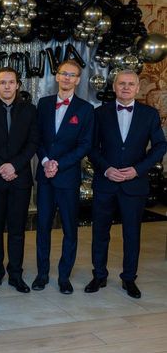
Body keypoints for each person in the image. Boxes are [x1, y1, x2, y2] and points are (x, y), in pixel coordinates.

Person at [86, 69, 167, 299]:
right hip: (105, 182)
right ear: (114, 87)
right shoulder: (99, 113)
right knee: (100, 232)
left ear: (138, 88)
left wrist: (137, 170)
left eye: (131, 84)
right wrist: (106, 169)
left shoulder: (149, 114)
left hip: (134, 185)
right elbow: (90, 147)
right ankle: (99, 275)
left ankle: (129, 278)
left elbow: (160, 146)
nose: (126, 87)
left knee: (132, 234)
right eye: (121, 83)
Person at [33, 59, 94, 294]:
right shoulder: (44, 103)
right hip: (45, 176)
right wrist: (46, 161)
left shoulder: (86, 109)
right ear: (57, 76)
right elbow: (37, 138)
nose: (67, 78)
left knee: (69, 229)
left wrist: (59, 163)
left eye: (72, 75)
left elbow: (85, 145)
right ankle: (42, 274)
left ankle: (64, 276)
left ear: (78, 80)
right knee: (42, 227)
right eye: (64, 74)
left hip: (68, 178)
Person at [0, 67, 38, 294]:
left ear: (18, 85)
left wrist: (14, 166)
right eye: (2, 82)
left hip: (20, 178)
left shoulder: (29, 110)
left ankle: (15, 273)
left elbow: (33, 143)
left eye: (11, 82)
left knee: (17, 229)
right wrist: (0, 166)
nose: (7, 86)